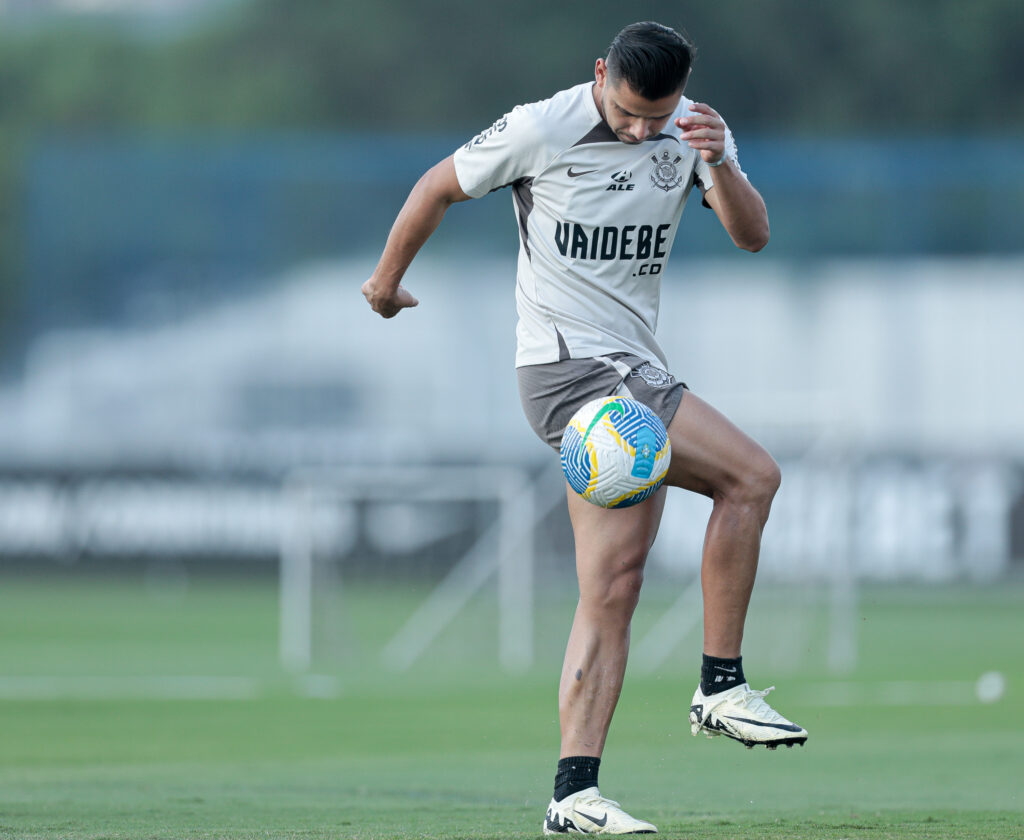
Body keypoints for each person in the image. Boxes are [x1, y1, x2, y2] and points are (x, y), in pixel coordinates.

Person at [363, 20, 807, 835]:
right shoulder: (540, 128)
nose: (643, 130)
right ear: (601, 73)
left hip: (632, 369)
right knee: (752, 476)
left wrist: (720, 161)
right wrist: (387, 284)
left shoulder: (694, 132)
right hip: (571, 371)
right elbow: (436, 186)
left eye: (657, 115)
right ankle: (720, 684)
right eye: (629, 112)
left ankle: (573, 797)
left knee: (611, 590)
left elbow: (753, 236)